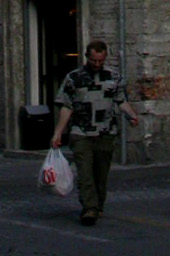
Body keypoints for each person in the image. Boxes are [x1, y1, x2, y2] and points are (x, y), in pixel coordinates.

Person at [51, 38, 140, 226]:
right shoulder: (74, 78)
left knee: (101, 173)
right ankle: (89, 208)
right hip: (81, 132)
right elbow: (66, 107)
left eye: (101, 60)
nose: (97, 64)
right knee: (85, 173)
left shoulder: (114, 77)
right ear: (87, 57)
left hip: (106, 132)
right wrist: (58, 132)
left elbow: (120, 101)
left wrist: (131, 115)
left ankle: (98, 205)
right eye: (94, 61)